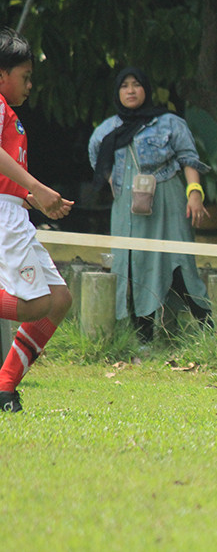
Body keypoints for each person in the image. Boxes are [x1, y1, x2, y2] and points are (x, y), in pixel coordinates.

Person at [88, 67, 212, 342]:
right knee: (131, 267)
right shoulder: (106, 130)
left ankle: (209, 332)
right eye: (124, 86)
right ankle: (142, 338)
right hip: (126, 209)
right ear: (117, 92)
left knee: (179, 264)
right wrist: (120, 186)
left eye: (136, 85)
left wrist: (194, 193)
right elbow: (98, 163)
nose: (130, 91)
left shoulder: (169, 123)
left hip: (166, 202)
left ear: (147, 89)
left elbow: (189, 159)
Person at [0, 27, 74, 412]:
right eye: (25, 77)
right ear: (2, 75)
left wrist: (30, 197)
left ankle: (5, 385)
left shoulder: (10, 114)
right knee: (34, 304)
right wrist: (36, 186)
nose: (30, 85)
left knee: (59, 299)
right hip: (4, 219)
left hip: (14, 213)